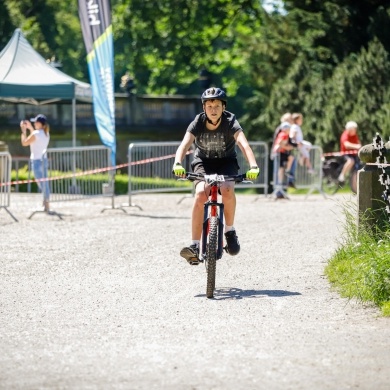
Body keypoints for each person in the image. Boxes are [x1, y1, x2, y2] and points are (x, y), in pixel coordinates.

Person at [172, 87, 259, 265]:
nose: (213, 109)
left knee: (227, 188)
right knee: (200, 194)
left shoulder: (230, 121)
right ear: (204, 108)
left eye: (217, 105)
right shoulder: (198, 121)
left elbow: (243, 145)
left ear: (223, 107)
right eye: (209, 105)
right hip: (203, 163)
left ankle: (229, 230)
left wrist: (253, 165)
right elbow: (184, 144)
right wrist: (177, 163)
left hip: (226, 162)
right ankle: (195, 246)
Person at [20, 114, 50, 211]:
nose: (34, 123)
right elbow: (35, 136)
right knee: (45, 182)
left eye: (36, 122)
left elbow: (24, 143)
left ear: (39, 123)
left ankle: (46, 203)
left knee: (40, 183)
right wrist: (30, 128)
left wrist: (23, 131)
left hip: (37, 160)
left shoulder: (36, 134)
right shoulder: (46, 133)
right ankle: (46, 203)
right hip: (44, 159)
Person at [273, 121, 295, 197]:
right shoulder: (283, 134)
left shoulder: (284, 134)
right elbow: (280, 143)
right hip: (280, 153)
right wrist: (288, 148)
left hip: (282, 152)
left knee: (290, 159)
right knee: (281, 168)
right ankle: (287, 171)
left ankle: (287, 171)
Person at [338, 121, 361, 185]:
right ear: (350, 129)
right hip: (345, 154)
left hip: (353, 154)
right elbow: (346, 145)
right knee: (351, 161)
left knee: (357, 168)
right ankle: (342, 175)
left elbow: (359, 143)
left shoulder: (355, 136)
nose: (355, 130)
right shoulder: (344, 135)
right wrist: (357, 146)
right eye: (354, 129)